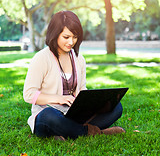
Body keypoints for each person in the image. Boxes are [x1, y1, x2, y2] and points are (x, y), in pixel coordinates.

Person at [23, 11, 125, 140]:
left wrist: (92, 103)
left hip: (74, 115)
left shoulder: (79, 59)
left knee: (116, 107)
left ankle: (69, 132)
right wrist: (58, 98)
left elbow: (82, 89)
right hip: (49, 115)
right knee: (48, 116)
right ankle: (95, 132)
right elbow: (29, 94)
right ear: (55, 34)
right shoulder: (41, 58)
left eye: (75, 37)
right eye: (66, 37)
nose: (71, 42)